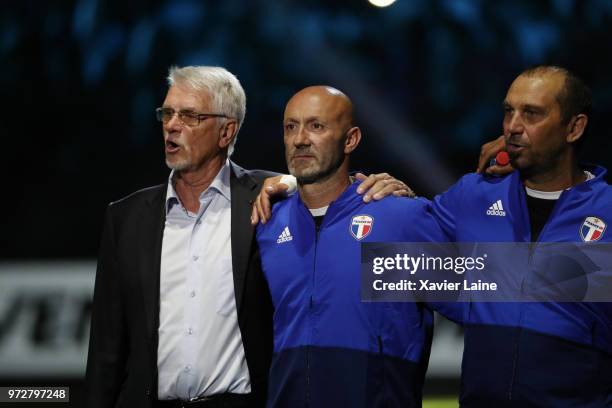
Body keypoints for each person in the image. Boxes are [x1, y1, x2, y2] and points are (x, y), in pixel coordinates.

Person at [86, 65, 410, 408]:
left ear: (226, 132)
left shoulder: (275, 203)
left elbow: (326, 184)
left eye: (189, 115)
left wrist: (387, 191)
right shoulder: (126, 218)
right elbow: (106, 350)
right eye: (167, 113)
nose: (171, 125)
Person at [431, 65, 612, 407]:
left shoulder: (608, 212)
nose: (513, 126)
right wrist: (373, 187)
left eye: (531, 114)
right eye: (509, 111)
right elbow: (395, 259)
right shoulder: (473, 196)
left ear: (574, 128)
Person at [256, 86, 447, 407]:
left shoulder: (399, 218)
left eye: (316, 126)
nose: (300, 138)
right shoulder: (267, 223)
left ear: (351, 139)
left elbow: (483, 297)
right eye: (291, 127)